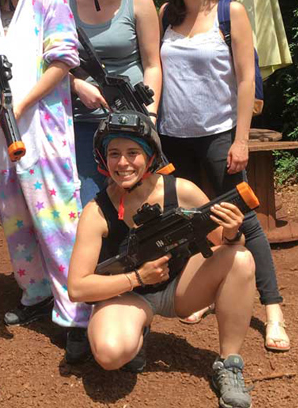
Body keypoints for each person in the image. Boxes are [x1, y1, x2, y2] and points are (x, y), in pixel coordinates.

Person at [67, 112, 256, 408]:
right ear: (103, 161)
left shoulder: (180, 190)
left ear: (150, 155)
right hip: (128, 294)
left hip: (180, 286)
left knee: (241, 259)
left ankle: (229, 364)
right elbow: (77, 288)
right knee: (109, 354)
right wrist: (138, 278)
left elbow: (229, 245)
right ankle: (136, 330)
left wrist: (232, 232)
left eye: (133, 152)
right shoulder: (97, 211)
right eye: (113, 153)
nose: (123, 163)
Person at [157, 0, 290, 352]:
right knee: (189, 221)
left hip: (219, 135)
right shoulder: (166, 15)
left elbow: (247, 79)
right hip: (172, 137)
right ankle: (201, 293)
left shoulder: (231, 12)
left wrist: (241, 139)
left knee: (243, 220)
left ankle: (273, 311)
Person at [0, 0, 91, 362]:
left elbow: (63, 61)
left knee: (59, 219)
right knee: (14, 218)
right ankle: (37, 292)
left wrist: (20, 104)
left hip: (42, 129)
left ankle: (77, 309)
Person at [66, 0, 162, 207]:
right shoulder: (63, 4)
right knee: (89, 206)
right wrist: (76, 84)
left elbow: (153, 64)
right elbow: (52, 65)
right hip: (83, 123)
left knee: (140, 204)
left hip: (133, 122)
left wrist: (151, 116)